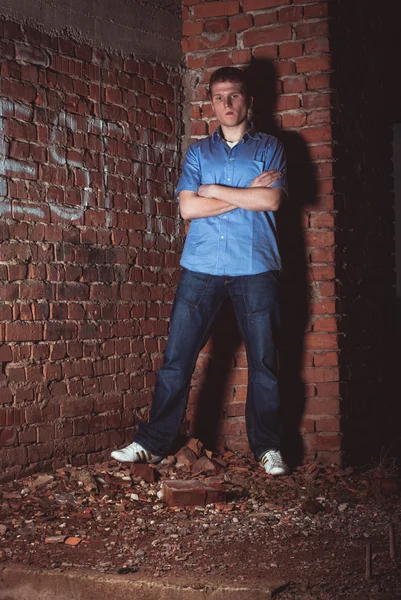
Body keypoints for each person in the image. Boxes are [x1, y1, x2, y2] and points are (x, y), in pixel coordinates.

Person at [111, 66, 289, 475]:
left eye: (235, 96)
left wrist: (215, 191)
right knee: (177, 358)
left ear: (249, 100)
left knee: (264, 362)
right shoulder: (197, 153)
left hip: (255, 266)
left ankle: (268, 448)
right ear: (211, 102)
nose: (227, 104)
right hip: (202, 266)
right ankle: (152, 443)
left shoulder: (271, 148)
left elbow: (273, 202)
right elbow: (189, 208)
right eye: (219, 97)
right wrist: (247, 195)